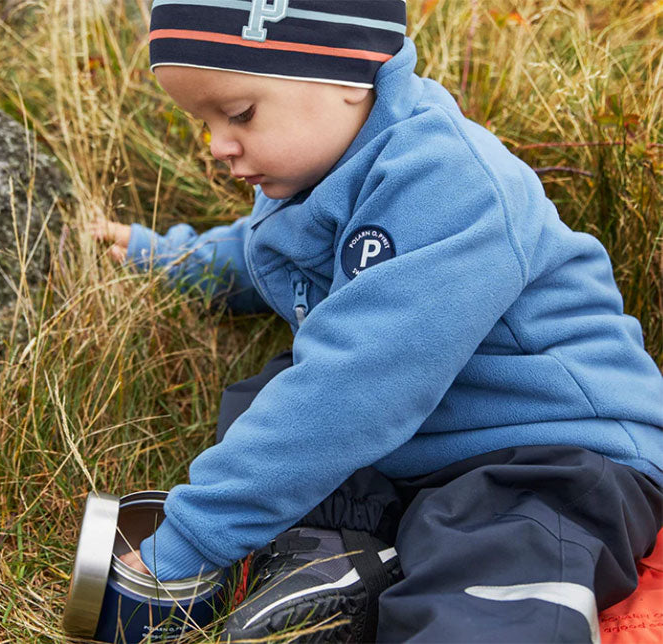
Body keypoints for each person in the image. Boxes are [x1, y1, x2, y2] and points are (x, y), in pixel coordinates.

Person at [89, 0, 663, 641]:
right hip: (416, 432)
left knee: (496, 550)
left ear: (346, 76)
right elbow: (269, 252)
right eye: (203, 121)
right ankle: (336, 563)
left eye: (239, 113)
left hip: (548, 451)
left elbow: (355, 387)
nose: (218, 146)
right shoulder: (323, 164)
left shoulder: (447, 181)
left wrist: (194, 536)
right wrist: (173, 258)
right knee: (269, 397)